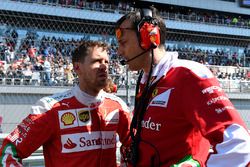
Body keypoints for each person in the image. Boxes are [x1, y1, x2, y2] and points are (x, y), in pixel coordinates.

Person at [115, 6, 250, 167]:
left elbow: (240, 145)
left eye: (123, 43)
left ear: (149, 37)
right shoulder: (146, 80)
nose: (119, 51)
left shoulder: (189, 75)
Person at [0, 41, 131, 167]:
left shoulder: (118, 106)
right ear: (77, 67)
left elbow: (133, 144)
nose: (104, 66)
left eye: (106, 61)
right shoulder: (50, 108)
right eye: (96, 61)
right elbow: (8, 153)